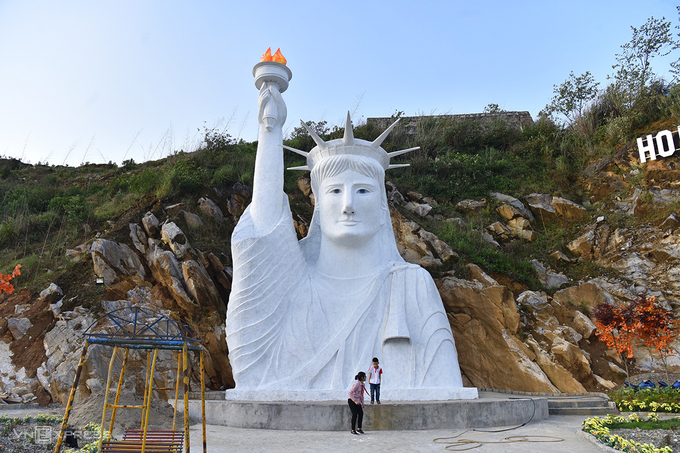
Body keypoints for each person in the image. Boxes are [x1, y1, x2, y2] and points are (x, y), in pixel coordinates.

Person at [225, 77, 473, 402]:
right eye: (335, 191)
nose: (348, 205)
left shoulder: (412, 286)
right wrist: (270, 131)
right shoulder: (293, 286)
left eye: (363, 190)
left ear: (383, 202)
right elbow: (262, 235)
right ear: (316, 202)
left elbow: (442, 385)